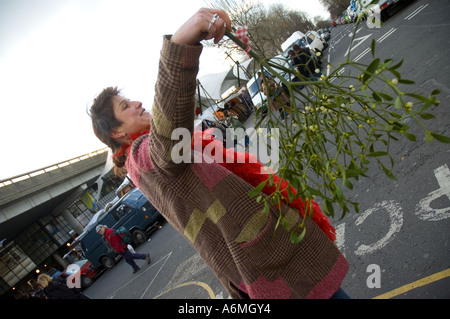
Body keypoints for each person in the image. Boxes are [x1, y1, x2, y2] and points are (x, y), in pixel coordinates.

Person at [89, 8, 349, 299]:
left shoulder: (150, 151)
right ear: (117, 134)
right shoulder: (142, 157)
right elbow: (169, 139)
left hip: (275, 251)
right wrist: (180, 44)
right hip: (273, 261)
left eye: (129, 100)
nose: (137, 103)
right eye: (125, 107)